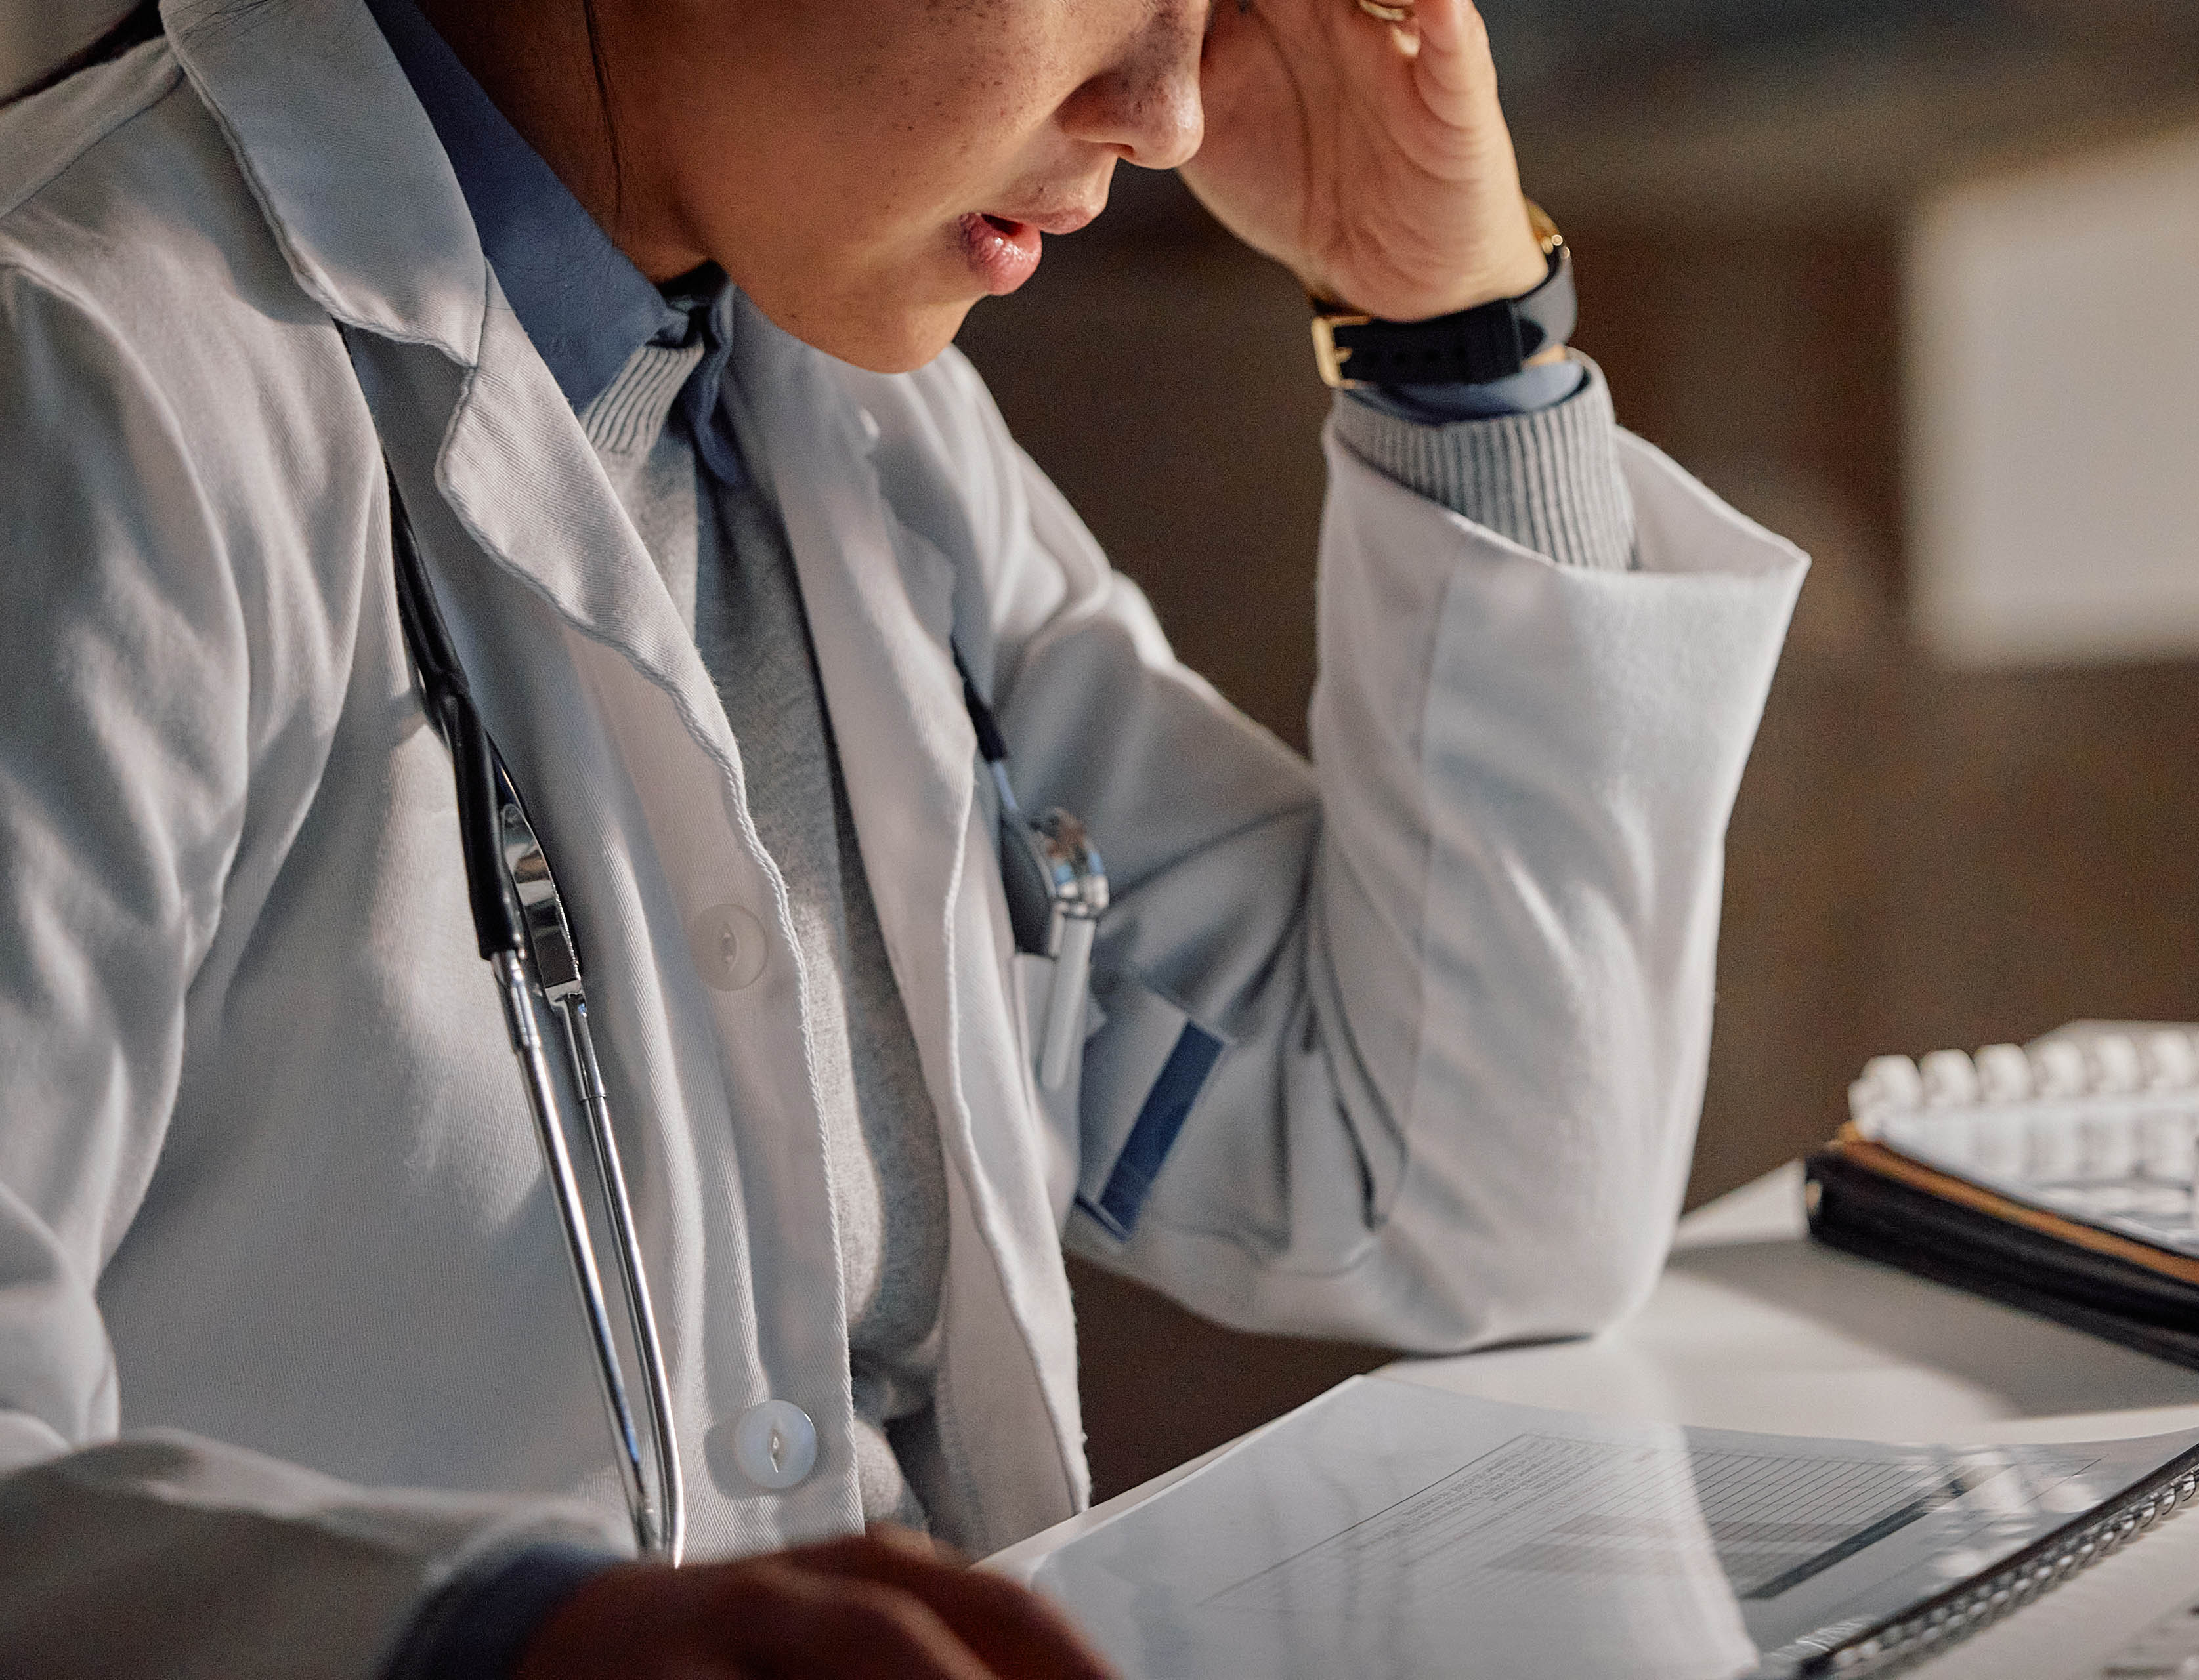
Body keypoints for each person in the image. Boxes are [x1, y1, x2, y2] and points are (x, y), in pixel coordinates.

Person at [0, 0, 1804, 1672]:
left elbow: (1470, 1190)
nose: (1169, 112)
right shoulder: (80, 379)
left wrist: (1451, 325)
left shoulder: (832, 404)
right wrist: (509, 1641)